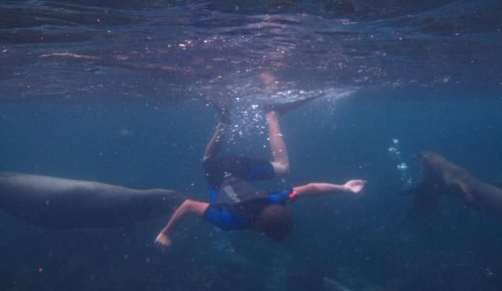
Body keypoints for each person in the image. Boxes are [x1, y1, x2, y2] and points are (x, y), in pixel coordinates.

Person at [154, 98, 366, 247]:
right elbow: (189, 205)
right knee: (208, 159)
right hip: (217, 172)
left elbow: (310, 188)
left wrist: (344, 188)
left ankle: (271, 116)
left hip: (240, 167)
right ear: (262, 232)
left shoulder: (276, 200)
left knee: (283, 167)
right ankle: (233, 120)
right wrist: (165, 232)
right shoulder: (228, 222)